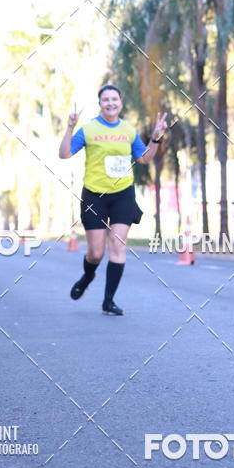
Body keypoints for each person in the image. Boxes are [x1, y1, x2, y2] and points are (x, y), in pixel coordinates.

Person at [59, 84, 167, 315]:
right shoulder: (88, 130)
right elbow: (65, 153)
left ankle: (108, 301)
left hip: (122, 194)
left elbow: (145, 159)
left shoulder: (128, 130)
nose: (110, 103)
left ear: (120, 102)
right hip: (94, 195)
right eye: (105, 100)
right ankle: (88, 277)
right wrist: (70, 127)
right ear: (100, 104)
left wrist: (156, 139)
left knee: (118, 245)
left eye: (114, 99)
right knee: (96, 253)